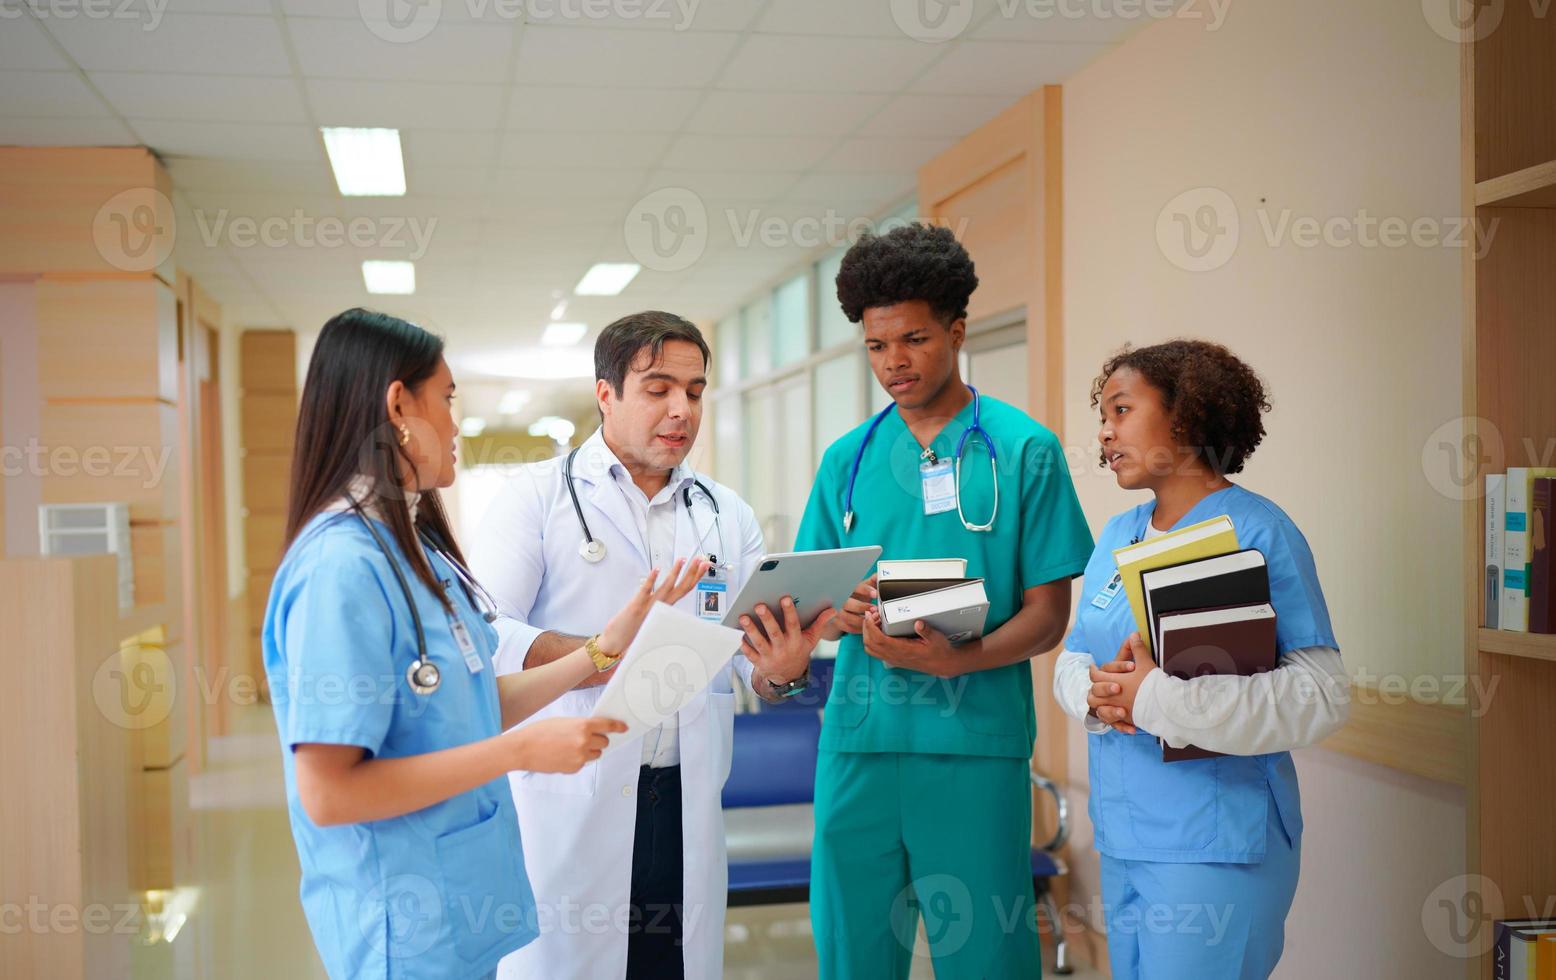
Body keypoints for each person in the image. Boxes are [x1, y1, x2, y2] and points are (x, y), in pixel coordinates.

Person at [262, 308, 706, 980]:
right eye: (446, 400)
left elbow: (465, 706)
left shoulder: (417, 555)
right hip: (401, 920)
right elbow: (329, 793)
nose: (455, 424)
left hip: (455, 909)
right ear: (398, 405)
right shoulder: (340, 568)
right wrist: (521, 751)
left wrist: (599, 653)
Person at [469, 310, 833, 980]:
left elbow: (758, 669)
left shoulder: (727, 513)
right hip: (573, 795)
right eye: (658, 388)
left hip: (686, 795)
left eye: (694, 392)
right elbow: (488, 634)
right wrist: (605, 653)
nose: (681, 411)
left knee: (672, 964)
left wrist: (782, 672)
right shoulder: (534, 499)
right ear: (606, 393)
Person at [792, 224, 1095, 978]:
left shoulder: (1025, 450)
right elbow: (814, 611)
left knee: (984, 958)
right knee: (852, 954)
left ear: (958, 332)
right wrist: (844, 613)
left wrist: (962, 661)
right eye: (875, 345)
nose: (893, 362)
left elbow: (1049, 614)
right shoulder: (846, 461)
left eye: (915, 339)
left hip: (972, 745)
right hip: (858, 745)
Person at [1052, 340, 1351, 979]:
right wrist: (1094, 694)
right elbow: (1075, 653)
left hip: (1216, 845)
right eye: (1101, 416)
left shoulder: (1260, 532)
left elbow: (1321, 695)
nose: (1104, 433)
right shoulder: (1117, 534)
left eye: (1121, 410)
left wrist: (1155, 698)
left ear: (1184, 416)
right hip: (1125, 836)